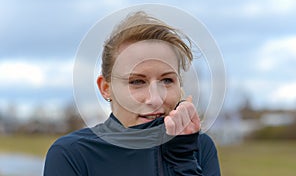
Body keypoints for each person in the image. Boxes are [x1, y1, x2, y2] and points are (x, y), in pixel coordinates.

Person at [44, 11, 221, 176]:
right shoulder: (73, 154)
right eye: (137, 82)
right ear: (106, 88)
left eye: (167, 80)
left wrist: (182, 161)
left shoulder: (199, 148)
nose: (156, 99)